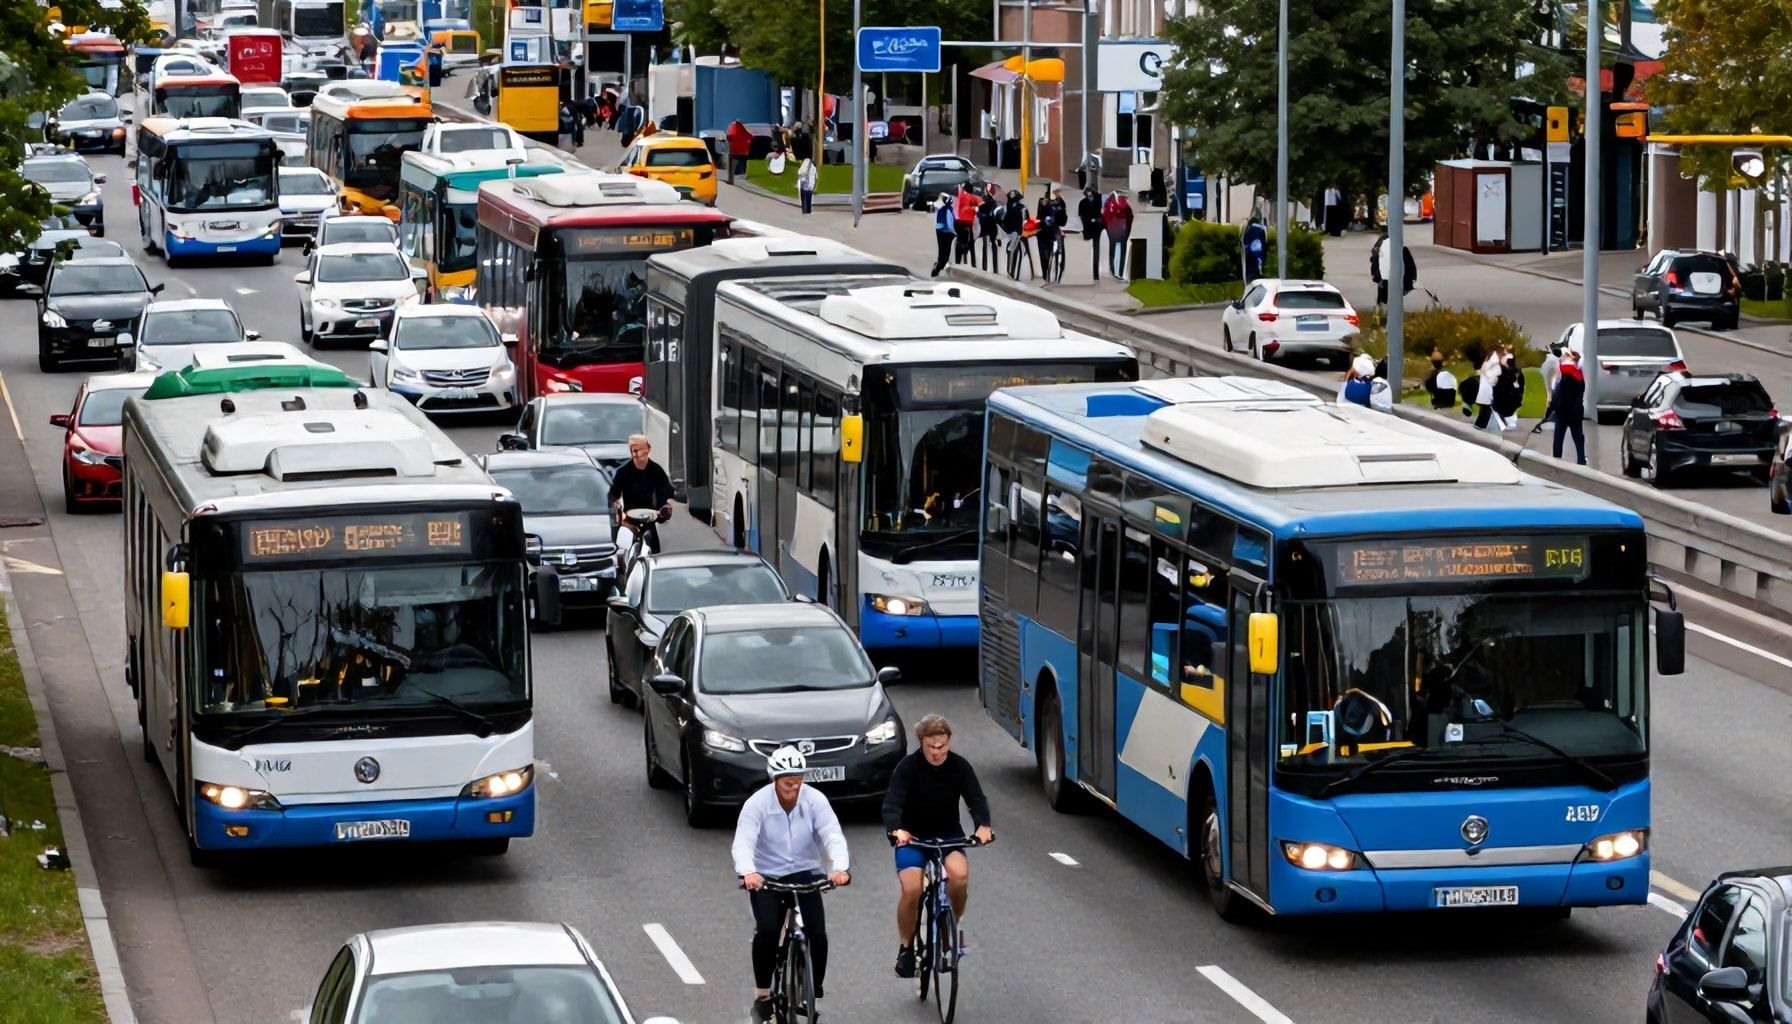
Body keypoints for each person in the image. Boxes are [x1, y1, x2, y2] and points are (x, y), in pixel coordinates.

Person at [733, 747, 851, 1024]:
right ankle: (763, 994)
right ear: (774, 778)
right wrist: (748, 872)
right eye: (788, 780)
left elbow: (832, 834)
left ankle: (812, 988)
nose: (794, 785)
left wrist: (839, 868)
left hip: (805, 872)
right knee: (768, 930)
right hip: (766, 876)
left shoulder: (815, 800)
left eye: (798, 779)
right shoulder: (757, 804)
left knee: (817, 933)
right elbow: (743, 842)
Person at [883, 715, 993, 980]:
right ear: (922, 744)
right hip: (914, 837)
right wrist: (897, 829)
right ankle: (906, 947)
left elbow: (976, 799)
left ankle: (952, 927)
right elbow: (892, 803)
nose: (938, 752)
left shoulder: (960, 766)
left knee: (960, 876)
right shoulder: (908, 768)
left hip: (948, 835)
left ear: (949, 742)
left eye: (942, 746)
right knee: (911, 889)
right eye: (932, 747)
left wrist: (983, 826)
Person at [606, 434, 674, 554]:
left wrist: (665, 509)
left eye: (640, 449)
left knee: (653, 553)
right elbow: (613, 498)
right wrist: (622, 520)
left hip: (650, 520)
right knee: (624, 550)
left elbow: (666, 497)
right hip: (629, 521)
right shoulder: (623, 473)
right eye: (633, 450)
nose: (636, 453)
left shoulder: (657, 471)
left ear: (648, 449)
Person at [1546, 349, 1587, 465]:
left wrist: (1549, 411)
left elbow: (1557, 396)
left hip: (1562, 412)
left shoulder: (1562, 377)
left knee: (1558, 438)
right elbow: (1581, 393)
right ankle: (1581, 459)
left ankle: (1556, 461)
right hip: (1576, 411)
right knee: (1578, 437)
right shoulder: (1579, 377)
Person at [1103, 190, 1134, 280]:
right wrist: (1127, 232)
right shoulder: (1126, 207)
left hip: (1112, 232)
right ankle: (1120, 272)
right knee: (1122, 251)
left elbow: (1105, 218)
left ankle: (1112, 271)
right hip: (1123, 232)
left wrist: (1107, 230)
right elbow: (1130, 219)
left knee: (1112, 251)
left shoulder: (1108, 205)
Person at [1077, 187, 1103, 281]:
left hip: (1097, 229)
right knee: (1088, 251)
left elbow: (1102, 213)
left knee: (1096, 251)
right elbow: (1081, 215)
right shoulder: (1083, 202)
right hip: (1088, 229)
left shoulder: (1099, 200)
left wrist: (1098, 220)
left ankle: (1095, 274)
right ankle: (1088, 272)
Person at [929, 192, 956, 277]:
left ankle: (938, 267)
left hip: (940, 231)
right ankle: (941, 267)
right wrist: (955, 232)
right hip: (948, 233)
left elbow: (937, 222)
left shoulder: (941, 209)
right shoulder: (949, 210)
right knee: (947, 251)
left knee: (942, 251)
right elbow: (950, 223)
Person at [977, 183, 1003, 271]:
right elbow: (996, 217)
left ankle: (984, 267)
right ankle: (995, 268)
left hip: (984, 225)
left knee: (985, 246)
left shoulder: (982, 200)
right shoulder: (993, 202)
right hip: (991, 225)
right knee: (993, 244)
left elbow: (979, 214)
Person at [953, 183, 980, 265]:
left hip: (957, 221)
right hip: (967, 222)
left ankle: (958, 260)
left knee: (959, 239)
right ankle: (972, 262)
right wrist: (974, 209)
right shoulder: (969, 197)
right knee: (971, 242)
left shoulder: (959, 196)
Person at [1242, 214, 1268, 281]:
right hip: (1258, 251)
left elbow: (1244, 239)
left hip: (1249, 250)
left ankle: (1251, 275)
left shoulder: (1248, 229)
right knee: (1257, 264)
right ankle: (1257, 274)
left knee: (1250, 266)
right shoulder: (1261, 230)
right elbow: (1264, 243)